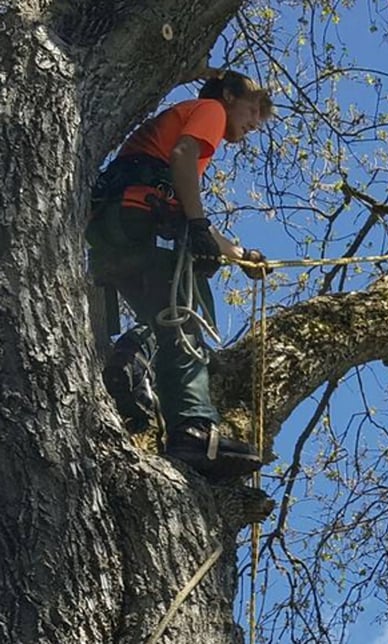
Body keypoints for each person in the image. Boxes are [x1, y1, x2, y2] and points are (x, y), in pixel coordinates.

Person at [86, 70, 273, 479]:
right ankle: (190, 427)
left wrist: (239, 255)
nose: (255, 122)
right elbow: (183, 157)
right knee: (184, 316)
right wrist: (198, 225)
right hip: (144, 223)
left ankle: (134, 368)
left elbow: (177, 185)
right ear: (229, 96)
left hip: (116, 227)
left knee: (165, 310)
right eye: (254, 110)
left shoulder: (181, 117)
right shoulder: (210, 110)